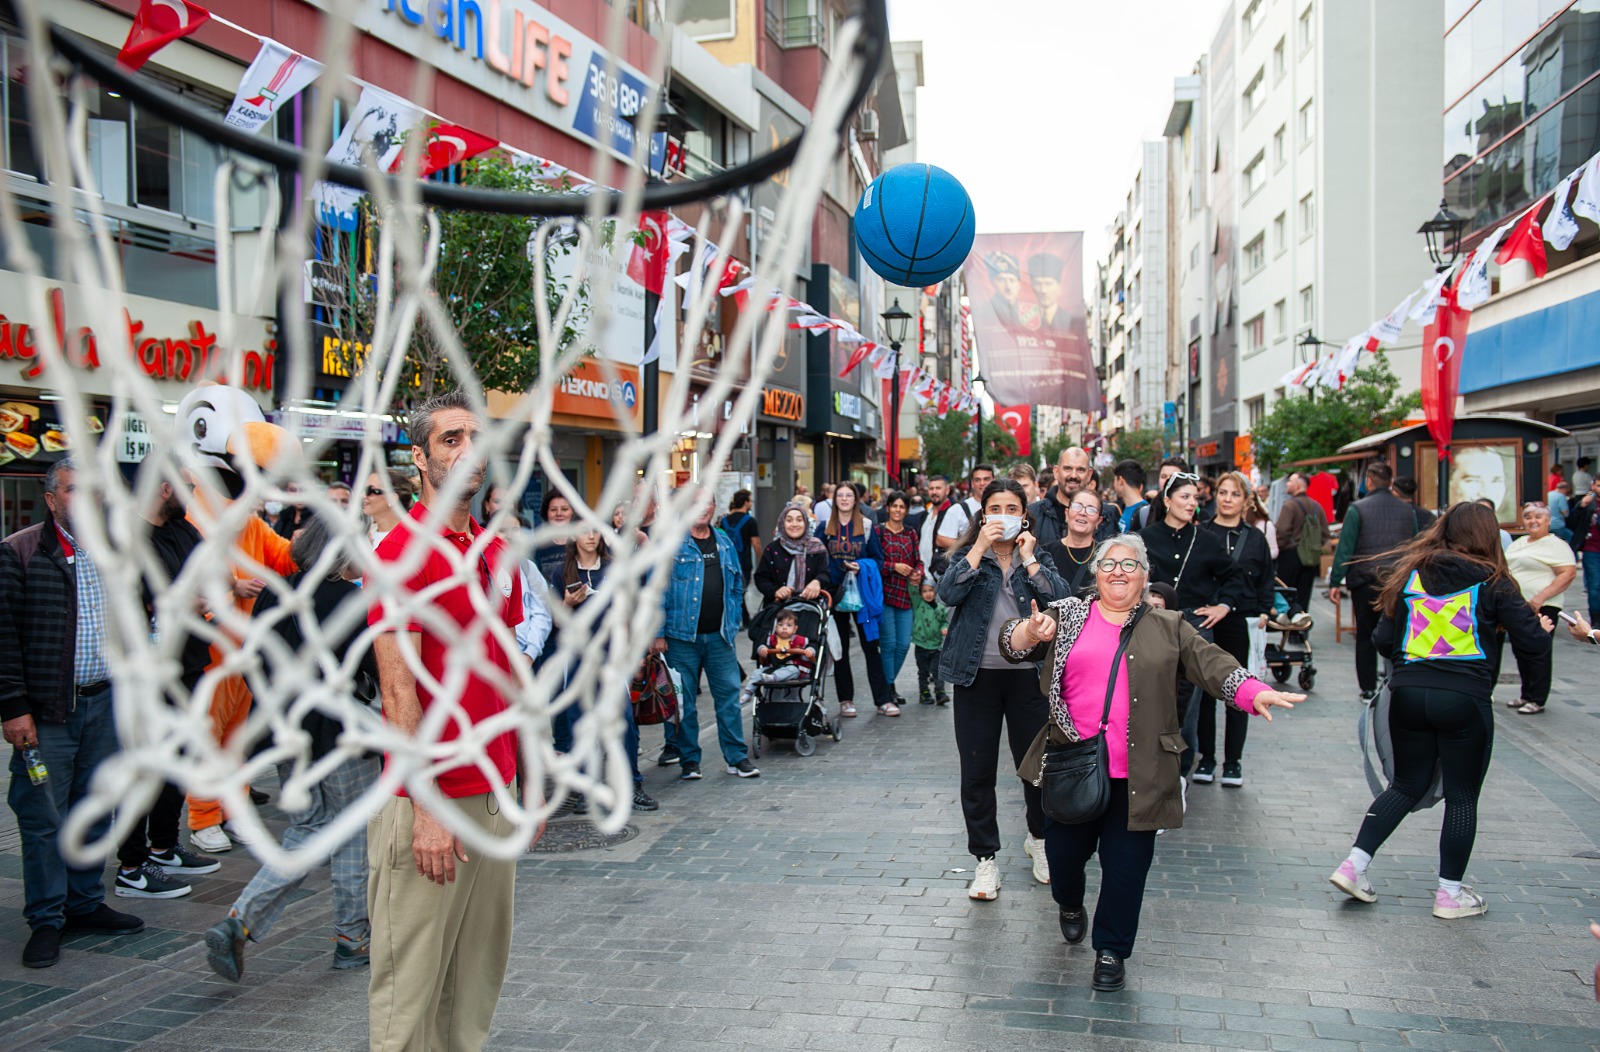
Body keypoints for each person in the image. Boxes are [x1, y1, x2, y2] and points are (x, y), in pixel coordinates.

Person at [1005, 536, 1300, 991]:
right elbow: (1014, 644)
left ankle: (1110, 951)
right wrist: (1030, 631)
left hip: (1140, 774)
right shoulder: (1067, 616)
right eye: (1109, 563)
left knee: (1126, 870)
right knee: (1064, 859)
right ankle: (1069, 902)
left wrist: (1253, 691)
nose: (1118, 571)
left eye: (1130, 564)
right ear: (1096, 574)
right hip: (1073, 763)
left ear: (1145, 576)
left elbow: (1213, 664)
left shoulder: (1170, 625)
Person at [365, 391, 529, 1052]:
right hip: (430, 802)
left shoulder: (488, 552)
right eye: (451, 440)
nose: (468, 453)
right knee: (410, 1001)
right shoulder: (401, 553)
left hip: (493, 794)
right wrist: (425, 805)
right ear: (420, 457)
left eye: (476, 438)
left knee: (474, 989)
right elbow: (398, 691)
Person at [1329, 502, 1550, 921]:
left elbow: (1381, 638)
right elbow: (1533, 645)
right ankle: (1449, 895)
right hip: (1464, 699)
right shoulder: (1495, 581)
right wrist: (1544, 630)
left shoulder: (1412, 574)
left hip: (1409, 694)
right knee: (1463, 797)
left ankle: (1353, 866)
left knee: (1406, 785)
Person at [205, 513, 383, 981]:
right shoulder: (352, 600)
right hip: (341, 738)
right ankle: (352, 938)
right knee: (351, 833)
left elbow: (253, 664)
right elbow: (375, 671)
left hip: (285, 738)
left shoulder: (272, 594)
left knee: (305, 834)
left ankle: (239, 922)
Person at [2, 460, 146, 969]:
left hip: (103, 703)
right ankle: (46, 918)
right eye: (74, 491)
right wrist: (14, 708)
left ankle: (84, 903)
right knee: (44, 817)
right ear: (51, 498)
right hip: (47, 713)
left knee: (93, 805)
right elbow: (4, 638)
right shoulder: (21, 551)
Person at [936, 478, 1068, 898]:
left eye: (1012, 509)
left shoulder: (1038, 554)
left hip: (1027, 676)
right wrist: (977, 548)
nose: (1004, 516)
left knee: (1035, 769)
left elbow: (1061, 599)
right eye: (995, 508)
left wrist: (1029, 560)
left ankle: (1039, 839)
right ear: (982, 513)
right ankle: (985, 860)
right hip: (975, 677)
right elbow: (947, 593)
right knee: (977, 771)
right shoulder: (967, 556)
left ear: (1024, 515)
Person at [118, 468, 222, 901]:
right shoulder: (129, 538)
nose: (193, 493)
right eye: (186, 486)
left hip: (191, 663)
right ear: (164, 488)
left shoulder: (185, 531)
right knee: (145, 767)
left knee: (177, 761)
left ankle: (163, 846)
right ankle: (131, 866)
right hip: (147, 671)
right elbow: (157, 596)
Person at [1141, 472, 1245, 785]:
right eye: (1184, 497)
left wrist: (1223, 606)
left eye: (1195, 498)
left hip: (1194, 625)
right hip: (1152, 624)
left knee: (1188, 705)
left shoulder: (1206, 539)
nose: (1191, 503)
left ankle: (1180, 773)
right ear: (1167, 500)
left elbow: (1235, 576)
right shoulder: (1145, 538)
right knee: (1151, 696)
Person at [659, 489, 759, 779]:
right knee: (685, 703)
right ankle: (689, 759)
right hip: (680, 639)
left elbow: (737, 585)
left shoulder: (724, 542)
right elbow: (655, 591)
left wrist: (734, 619)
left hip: (720, 638)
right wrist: (657, 633)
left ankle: (736, 757)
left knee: (728, 698)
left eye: (706, 503)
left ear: (715, 507)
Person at [1196, 471, 1277, 788]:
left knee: (1239, 691)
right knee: (1204, 692)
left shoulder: (1255, 537)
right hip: (1205, 616)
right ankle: (1207, 758)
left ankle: (1233, 762)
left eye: (1234, 494)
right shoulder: (1201, 532)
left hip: (1241, 618)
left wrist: (1264, 611)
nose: (1227, 499)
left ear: (1246, 501)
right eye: (1223, 492)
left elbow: (1266, 578)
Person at [1329, 462, 1428, 701]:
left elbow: (1346, 548)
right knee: (1398, 632)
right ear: (1391, 483)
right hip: (1396, 581)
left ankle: (1367, 688)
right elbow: (1415, 547)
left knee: (1365, 634)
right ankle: (1395, 681)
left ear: (1369, 481)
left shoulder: (1357, 509)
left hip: (1365, 580)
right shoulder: (1407, 511)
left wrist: (1335, 581)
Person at [818, 482, 896, 717]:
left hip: (861, 595)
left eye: (848, 495)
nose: (843, 499)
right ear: (834, 500)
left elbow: (878, 560)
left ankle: (883, 700)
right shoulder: (824, 528)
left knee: (871, 646)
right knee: (839, 648)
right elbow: (815, 557)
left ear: (856, 499)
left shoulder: (867, 526)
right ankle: (846, 700)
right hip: (835, 595)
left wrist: (860, 566)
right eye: (839, 495)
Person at [1503, 502, 1576, 715]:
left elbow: (1568, 573)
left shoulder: (1556, 545)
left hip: (1543, 605)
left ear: (1548, 520)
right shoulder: (1519, 543)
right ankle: (1526, 694)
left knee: (1537, 651)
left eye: (1538, 517)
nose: (1532, 521)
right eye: (1528, 517)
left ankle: (1537, 698)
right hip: (1518, 605)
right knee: (1520, 650)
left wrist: (1540, 597)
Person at [875, 490, 923, 705]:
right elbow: (873, 562)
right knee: (889, 644)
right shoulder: (878, 532)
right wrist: (893, 566)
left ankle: (888, 682)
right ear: (888, 508)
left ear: (906, 510)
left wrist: (918, 572)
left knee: (903, 644)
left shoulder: (911, 533)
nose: (897, 510)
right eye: (894, 506)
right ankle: (888, 688)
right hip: (883, 594)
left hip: (905, 595)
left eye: (902, 507)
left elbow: (918, 560)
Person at [1029, 447, 1117, 556]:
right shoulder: (1034, 513)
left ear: (1089, 474)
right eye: (1067, 468)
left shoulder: (1107, 514)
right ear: (1056, 472)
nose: (1074, 476)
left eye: (1080, 470)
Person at [753, 504, 831, 610]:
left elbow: (825, 573)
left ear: (806, 523)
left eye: (799, 520)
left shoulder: (817, 547)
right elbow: (761, 578)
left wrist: (817, 582)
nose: (794, 524)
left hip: (810, 609)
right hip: (778, 609)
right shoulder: (773, 549)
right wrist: (776, 591)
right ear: (782, 524)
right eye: (789, 520)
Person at [1274, 471, 1330, 614]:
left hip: (1290, 556)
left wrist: (1277, 550)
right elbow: (1325, 534)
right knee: (1304, 596)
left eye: (1290, 481)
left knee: (1286, 596)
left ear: (1298, 485)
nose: (1287, 484)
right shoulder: (1317, 507)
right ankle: (1301, 630)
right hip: (1310, 558)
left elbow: (1281, 531)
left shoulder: (1290, 506)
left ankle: (1289, 628)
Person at [738, 610, 816, 706]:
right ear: (776, 627)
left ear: (795, 629)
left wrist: (809, 651)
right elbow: (762, 647)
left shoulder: (801, 641)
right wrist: (762, 649)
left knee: (792, 670)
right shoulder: (771, 639)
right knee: (756, 672)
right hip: (774, 667)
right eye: (780, 625)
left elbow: (809, 651)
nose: (784, 628)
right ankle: (748, 693)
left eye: (788, 625)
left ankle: (773, 678)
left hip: (793, 668)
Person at [1043, 487, 1102, 597]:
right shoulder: (1045, 553)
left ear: (1099, 521)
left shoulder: (1105, 556)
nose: (1083, 513)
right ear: (1067, 513)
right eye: (1077, 506)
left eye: (1091, 509)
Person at [720, 490, 762, 625]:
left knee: (732, 589)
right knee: (740, 590)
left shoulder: (724, 520)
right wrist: (761, 559)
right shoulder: (750, 521)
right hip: (743, 561)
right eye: (750, 500)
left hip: (726, 560)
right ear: (745, 502)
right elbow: (756, 543)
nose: (751, 503)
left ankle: (742, 617)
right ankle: (742, 618)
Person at [936, 465, 994, 559]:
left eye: (986, 479)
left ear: (993, 481)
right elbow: (941, 539)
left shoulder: (1003, 508)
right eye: (977, 480)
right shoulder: (957, 509)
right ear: (972, 483)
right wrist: (974, 547)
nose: (982, 483)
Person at [1565, 473, 1600, 624]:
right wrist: (1581, 506)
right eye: (1599, 485)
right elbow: (1571, 523)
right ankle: (1596, 621)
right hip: (1591, 551)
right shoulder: (1587, 503)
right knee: (1594, 587)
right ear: (1593, 486)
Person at [911, 580, 948, 706]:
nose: (928, 594)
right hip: (921, 646)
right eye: (924, 591)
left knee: (937, 671)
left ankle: (940, 693)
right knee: (923, 672)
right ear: (920, 594)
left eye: (930, 590)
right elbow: (912, 591)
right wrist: (913, 582)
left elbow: (945, 621)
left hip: (936, 646)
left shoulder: (941, 609)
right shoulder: (918, 605)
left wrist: (944, 627)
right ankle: (924, 693)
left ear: (935, 592)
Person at [363, 470, 414, 549]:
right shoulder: (362, 535)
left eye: (371, 491)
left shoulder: (412, 539)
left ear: (392, 498)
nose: (363, 496)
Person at [533, 489, 576, 581]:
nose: (559, 513)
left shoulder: (583, 542)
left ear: (573, 512)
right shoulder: (539, 545)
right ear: (546, 513)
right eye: (553, 510)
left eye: (564, 509)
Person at [919, 474, 955, 575]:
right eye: (931, 488)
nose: (934, 492)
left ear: (947, 490)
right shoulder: (925, 514)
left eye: (938, 488)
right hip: (922, 574)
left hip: (940, 575)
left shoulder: (953, 514)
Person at [1113, 460, 1148, 533]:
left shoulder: (1144, 513)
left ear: (1120, 480)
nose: (1114, 485)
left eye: (1114, 480)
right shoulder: (1122, 508)